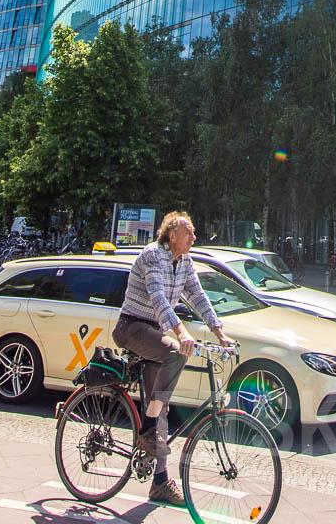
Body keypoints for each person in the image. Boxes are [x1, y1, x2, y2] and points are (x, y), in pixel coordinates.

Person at [115, 211, 232, 506]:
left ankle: (160, 482)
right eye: (189, 232)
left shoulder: (186, 262)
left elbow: (198, 296)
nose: (194, 236)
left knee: (162, 405)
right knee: (175, 352)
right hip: (132, 327)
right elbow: (158, 298)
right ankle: (149, 425)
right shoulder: (154, 255)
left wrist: (220, 333)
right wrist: (180, 333)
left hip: (154, 331)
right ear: (171, 235)